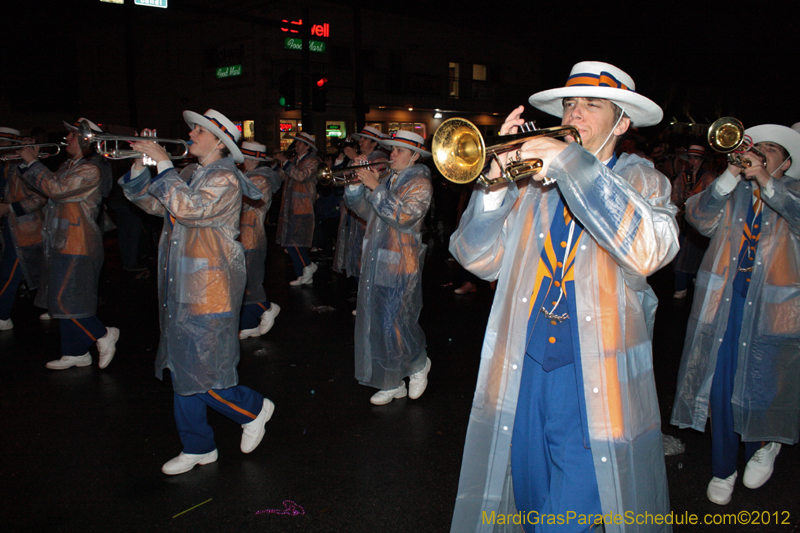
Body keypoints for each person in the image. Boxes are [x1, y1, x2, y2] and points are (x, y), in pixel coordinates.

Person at [448, 62, 678, 532]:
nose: (575, 113)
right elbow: (477, 257)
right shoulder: (536, 186)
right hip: (527, 366)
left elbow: (650, 249)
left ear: (622, 122)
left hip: (598, 372)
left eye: (592, 104)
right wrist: (493, 186)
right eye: (570, 103)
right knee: (532, 502)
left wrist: (569, 162)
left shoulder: (641, 179)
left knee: (566, 516)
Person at [119, 109, 274, 475]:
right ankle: (198, 445)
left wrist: (163, 164)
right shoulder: (191, 172)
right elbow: (156, 204)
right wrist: (144, 166)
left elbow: (191, 209)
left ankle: (252, 408)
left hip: (211, 289)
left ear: (218, 141)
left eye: (197, 131)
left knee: (201, 372)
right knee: (180, 367)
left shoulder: (226, 179)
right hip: (184, 284)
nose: (189, 134)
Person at [671, 124, 800, 505]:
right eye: (756, 149)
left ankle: (766, 441)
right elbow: (697, 216)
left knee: (765, 382)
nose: (759, 155)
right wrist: (730, 174)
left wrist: (765, 180)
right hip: (725, 301)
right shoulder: (733, 190)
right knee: (721, 388)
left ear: (787, 162)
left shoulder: (792, 191)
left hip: (774, 310)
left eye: (770, 151)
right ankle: (723, 468)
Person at [17, 119, 120, 370]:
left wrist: (33, 163)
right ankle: (75, 352)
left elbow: (56, 188)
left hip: (78, 243)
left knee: (64, 300)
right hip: (60, 240)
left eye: (73, 135)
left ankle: (104, 333)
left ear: (87, 140)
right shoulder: (68, 164)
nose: (67, 139)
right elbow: (46, 188)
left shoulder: (90, 169)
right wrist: (26, 163)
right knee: (66, 298)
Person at [346, 130, 433, 405]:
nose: (391, 154)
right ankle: (391, 380)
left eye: (399, 150)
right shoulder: (388, 178)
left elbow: (404, 217)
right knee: (378, 323)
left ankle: (419, 363)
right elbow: (365, 210)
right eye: (391, 149)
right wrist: (355, 183)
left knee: (398, 321)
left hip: (401, 263)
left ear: (415, 156)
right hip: (379, 258)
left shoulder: (421, 182)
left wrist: (375, 186)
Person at [0, 127, 46, 331]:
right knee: (43, 272)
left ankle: (2, 315)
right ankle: (55, 306)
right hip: (9, 227)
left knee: (10, 273)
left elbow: (41, 196)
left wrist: (10, 207)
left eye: (4, 142)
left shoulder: (22, 166)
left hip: (25, 229)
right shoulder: (5, 164)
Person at [238, 141, 282, 339]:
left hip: (250, 236)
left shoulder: (260, 179)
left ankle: (266, 308)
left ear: (250, 159)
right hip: (242, 234)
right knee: (243, 282)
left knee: (248, 282)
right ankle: (248, 324)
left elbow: (243, 203)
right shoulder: (249, 175)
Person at [274, 132, 320, 286]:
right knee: (288, 241)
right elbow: (280, 176)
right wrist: (275, 163)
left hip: (303, 207)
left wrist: (286, 162)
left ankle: (308, 266)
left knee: (296, 241)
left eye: (300, 143)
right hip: (290, 207)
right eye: (296, 142)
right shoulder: (294, 160)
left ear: (307, 146)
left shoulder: (313, 161)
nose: (296, 145)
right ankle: (302, 274)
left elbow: (302, 176)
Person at [672, 144, 715, 299]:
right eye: (690, 158)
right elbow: (674, 198)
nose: (693, 161)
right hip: (683, 222)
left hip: (699, 224)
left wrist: (696, 198)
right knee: (680, 255)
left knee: (696, 256)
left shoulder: (709, 178)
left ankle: (690, 282)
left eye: (696, 158)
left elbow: (713, 201)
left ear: (702, 160)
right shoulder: (682, 176)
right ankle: (681, 286)